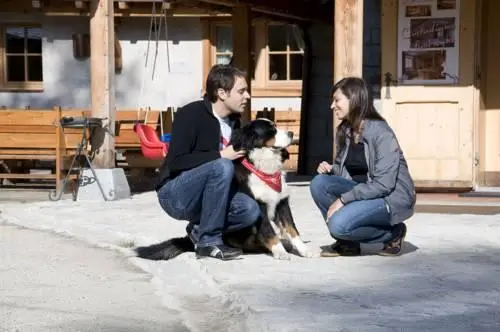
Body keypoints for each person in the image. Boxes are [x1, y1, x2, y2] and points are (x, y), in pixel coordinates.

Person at [155, 64, 260, 261]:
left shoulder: (235, 122)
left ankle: (198, 232)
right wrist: (220, 155)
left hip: (208, 196)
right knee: (222, 165)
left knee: (249, 210)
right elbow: (176, 162)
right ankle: (208, 243)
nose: (247, 96)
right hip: (175, 195)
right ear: (222, 93)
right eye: (241, 91)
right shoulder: (191, 114)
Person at [309, 77, 416, 257]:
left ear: (354, 99)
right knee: (319, 183)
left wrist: (344, 200)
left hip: (390, 197)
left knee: (338, 225)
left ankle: (393, 233)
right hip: (364, 192)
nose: (332, 106)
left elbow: (384, 184)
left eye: (337, 100)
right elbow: (350, 171)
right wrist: (331, 170)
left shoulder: (381, 132)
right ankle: (348, 244)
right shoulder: (345, 131)